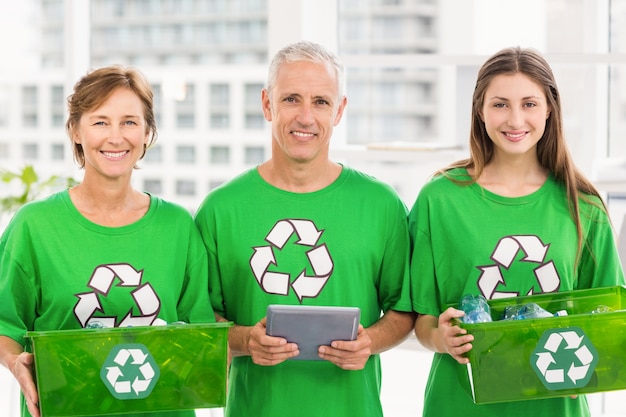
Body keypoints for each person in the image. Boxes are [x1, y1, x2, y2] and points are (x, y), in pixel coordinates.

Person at [194, 40, 416, 417]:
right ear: (267, 104)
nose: (306, 117)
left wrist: (370, 342)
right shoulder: (220, 210)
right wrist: (246, 340)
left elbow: (405, 310)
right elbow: (201, 320)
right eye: (291, 99)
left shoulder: (381, 205)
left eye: (321, 102)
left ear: (340, 110)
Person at [409, 46, 625, 417]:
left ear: (549, 109)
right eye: (500, 104)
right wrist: (440, 338)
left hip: (553, 404)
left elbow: (609, 319)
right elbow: (421, 320)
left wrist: (593, 365)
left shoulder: (584, 206)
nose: (514, 120)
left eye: (528, 104)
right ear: (480, 109)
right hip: (461, 404)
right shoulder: (439, 200)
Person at [0, 65, 215, 417]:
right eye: (100, 122)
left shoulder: (178, 227)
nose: (116, 137)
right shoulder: (34, 226)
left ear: (148, 133)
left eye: (129, 122)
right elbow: (4, 319)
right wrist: (14, 362)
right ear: (75, 131)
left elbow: (201, 332)